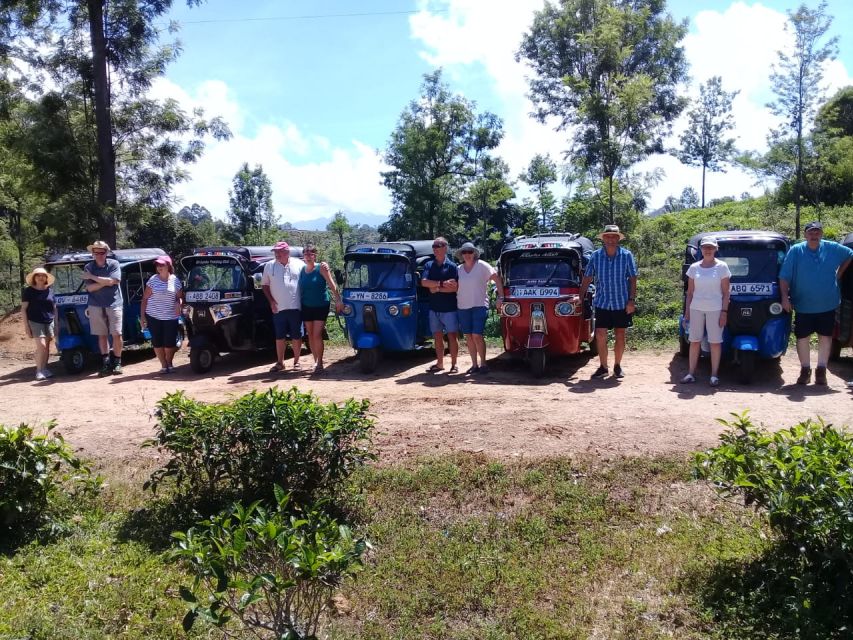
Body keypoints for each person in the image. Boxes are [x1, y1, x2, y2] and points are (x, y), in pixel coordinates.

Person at [779, 221, 853, 385]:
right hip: (803, 304)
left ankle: (821, 370)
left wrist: (839, 273)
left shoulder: (832, 248)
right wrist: (785, 298)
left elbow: (850, 254)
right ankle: (805, 370)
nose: (814, 235)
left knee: (825, 337)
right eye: (811, 232)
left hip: (828, 303)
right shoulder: (796, 251)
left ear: (821, 233)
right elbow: (784, 276)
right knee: (802, 338)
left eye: (817, 232)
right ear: (805, 235)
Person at [580, 225, 638, 380]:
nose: (611, 240)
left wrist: (631, 301)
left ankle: (617, 366)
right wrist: (580, 296)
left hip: (621, 302)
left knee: (620, 334)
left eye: (614, 237)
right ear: (603, 239)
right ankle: (603, 367)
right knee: (600, 334)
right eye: (608, 237)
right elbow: (587, 277)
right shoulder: (595, 256)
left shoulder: (626, 256)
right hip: (602, 302)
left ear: (618, 239)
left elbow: (633, 279)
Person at [680, 238, 731, 387]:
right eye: (705, 247)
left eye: (711, 247)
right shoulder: (694, 268)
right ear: (701, 249)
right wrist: (687, 314)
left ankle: (714, 375)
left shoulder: (722, 267)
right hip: (696, 308)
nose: (708, 250)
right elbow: (690, 293)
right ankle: (691, 373)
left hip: (715, 309)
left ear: (716, 249)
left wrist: (724, 312)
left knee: (715, 342)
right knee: (694, 341)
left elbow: (726, 292)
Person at [455, 242, 502, 375]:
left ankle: (484, 364)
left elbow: (497, 279)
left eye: (470, 252)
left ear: (474, 253)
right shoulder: (458, 269)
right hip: (462, 306)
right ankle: (474, 364)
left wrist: (501, 297)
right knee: (468, 336)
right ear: (461, 255)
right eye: (464, 252)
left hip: (479, 305)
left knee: (477, 335)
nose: (467, 254)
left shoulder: (482, 265)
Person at [262, 241, 306, 372]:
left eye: (279, 251)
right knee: (279, 336)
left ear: (287, 252)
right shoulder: (269, 266)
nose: (276, 254)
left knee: (296, 335)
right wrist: (271, 301)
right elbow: (264, 285)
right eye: (275, 252)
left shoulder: (299, 264)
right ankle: (280, 362)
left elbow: (308, 277)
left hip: (295, 306)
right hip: (278, 308)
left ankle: (297, 362)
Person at [299, 243, 343, 374]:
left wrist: (338, 300)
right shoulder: (302, 270)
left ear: (315, 255)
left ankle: (320, 363)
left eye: (310, 253)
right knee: (310, 335)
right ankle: (315, 361)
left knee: (317, 334)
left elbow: (331, 284)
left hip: (321, 305)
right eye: (306, 253)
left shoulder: (321, 268)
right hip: (306, 305)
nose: (308, 256)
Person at [82, 240, 124, 376]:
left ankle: (117, 363)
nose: (99, 254)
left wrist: (94, 278)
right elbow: (90, 288)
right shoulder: (88, 266)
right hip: (95, 305)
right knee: (102, 335)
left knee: (117, 334)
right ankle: (106, 364)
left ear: (106, 252)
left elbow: (115, 281)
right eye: (96, 252)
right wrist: (106, 282)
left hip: (114, 304)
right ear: (93, 253)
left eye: (102, 252)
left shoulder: (114, 264)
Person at [420, 236, 459, 374]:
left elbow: (454, 288)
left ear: (445, 248)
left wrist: (435, 287)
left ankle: (454, 365)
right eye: (434, 246)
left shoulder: (453, 267)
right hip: (434, 308)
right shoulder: (429, 265)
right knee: (437, 337)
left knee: (452, 337)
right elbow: (424, 282)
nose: (435, 248)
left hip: (450, 308)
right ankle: (440, 363)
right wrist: (442, 284)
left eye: (438, 246)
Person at [140, 255, 183, 374]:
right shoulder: (153, 280)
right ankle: (163, 365)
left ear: (168, 266)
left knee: (170, 342)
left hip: (170, 316)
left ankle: (169, 363)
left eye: (162, 265)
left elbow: (180, 297)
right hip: (153, 315)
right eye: (157, 265)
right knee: (157, 341)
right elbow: (144, 299)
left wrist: (178, 303)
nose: (159, 267)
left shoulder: (175, 280)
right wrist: (143, 317)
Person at [22, 267, 58, 381]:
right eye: (38, 275)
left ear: (46, 278)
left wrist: (56, 323)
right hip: (35, 321)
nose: (40, 277)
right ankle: (39, 370)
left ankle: (44, 369)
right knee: (41, 346)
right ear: (34, 278)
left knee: (46, 347)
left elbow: (54, 308)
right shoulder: (28, 291)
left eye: (43, 275)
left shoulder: (50, 291)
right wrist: (26, 326)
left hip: (49, 321)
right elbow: (23, 309)